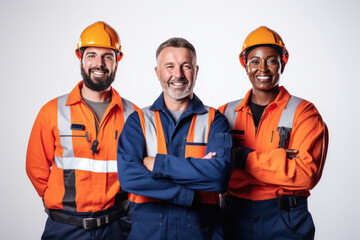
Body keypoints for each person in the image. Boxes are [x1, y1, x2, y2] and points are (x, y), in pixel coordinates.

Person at [26, 21, 138, 240]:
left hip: (116, 228)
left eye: (107, 56)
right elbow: (35, 167)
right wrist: (59, 202)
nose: (99, 63)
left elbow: (137, 169)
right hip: (65, 228)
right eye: (91, 55)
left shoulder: (131, 114)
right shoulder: (53, 111)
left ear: (117, 61)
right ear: (80, 58)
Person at [219, 26, 329, 240]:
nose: (263, 69)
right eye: (255, 61)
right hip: (233, 217)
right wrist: (279, 161)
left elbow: (306, 175)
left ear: (282, 64)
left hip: (287, 220)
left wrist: (242, 157)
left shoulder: (304, 113)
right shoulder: (224, 113)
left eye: (271, 60)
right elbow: (216, 169)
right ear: (245, 65)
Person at [117, 37, 232, 239]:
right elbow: (129, 178)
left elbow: (219, 177)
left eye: (185, 66)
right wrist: (187, 191)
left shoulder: (215, 120)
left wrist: (156, 164)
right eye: (169, 66)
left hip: (202, 234)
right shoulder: (139, 121)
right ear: (157, 72)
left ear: (196, 71)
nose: (177, 74)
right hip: (148, 235)